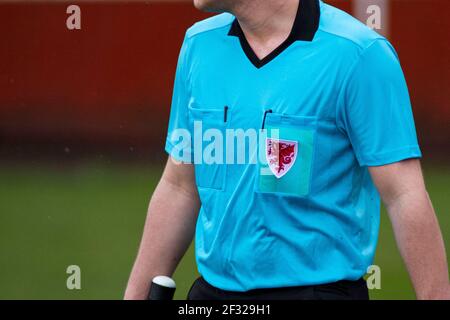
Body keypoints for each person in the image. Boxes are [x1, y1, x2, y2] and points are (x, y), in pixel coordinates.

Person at [125, 0, 450, 300]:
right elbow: (179, 186)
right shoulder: (198, 45)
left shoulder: (359, 54)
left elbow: (403, 194)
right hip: (212, 296)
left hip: (318, 293)